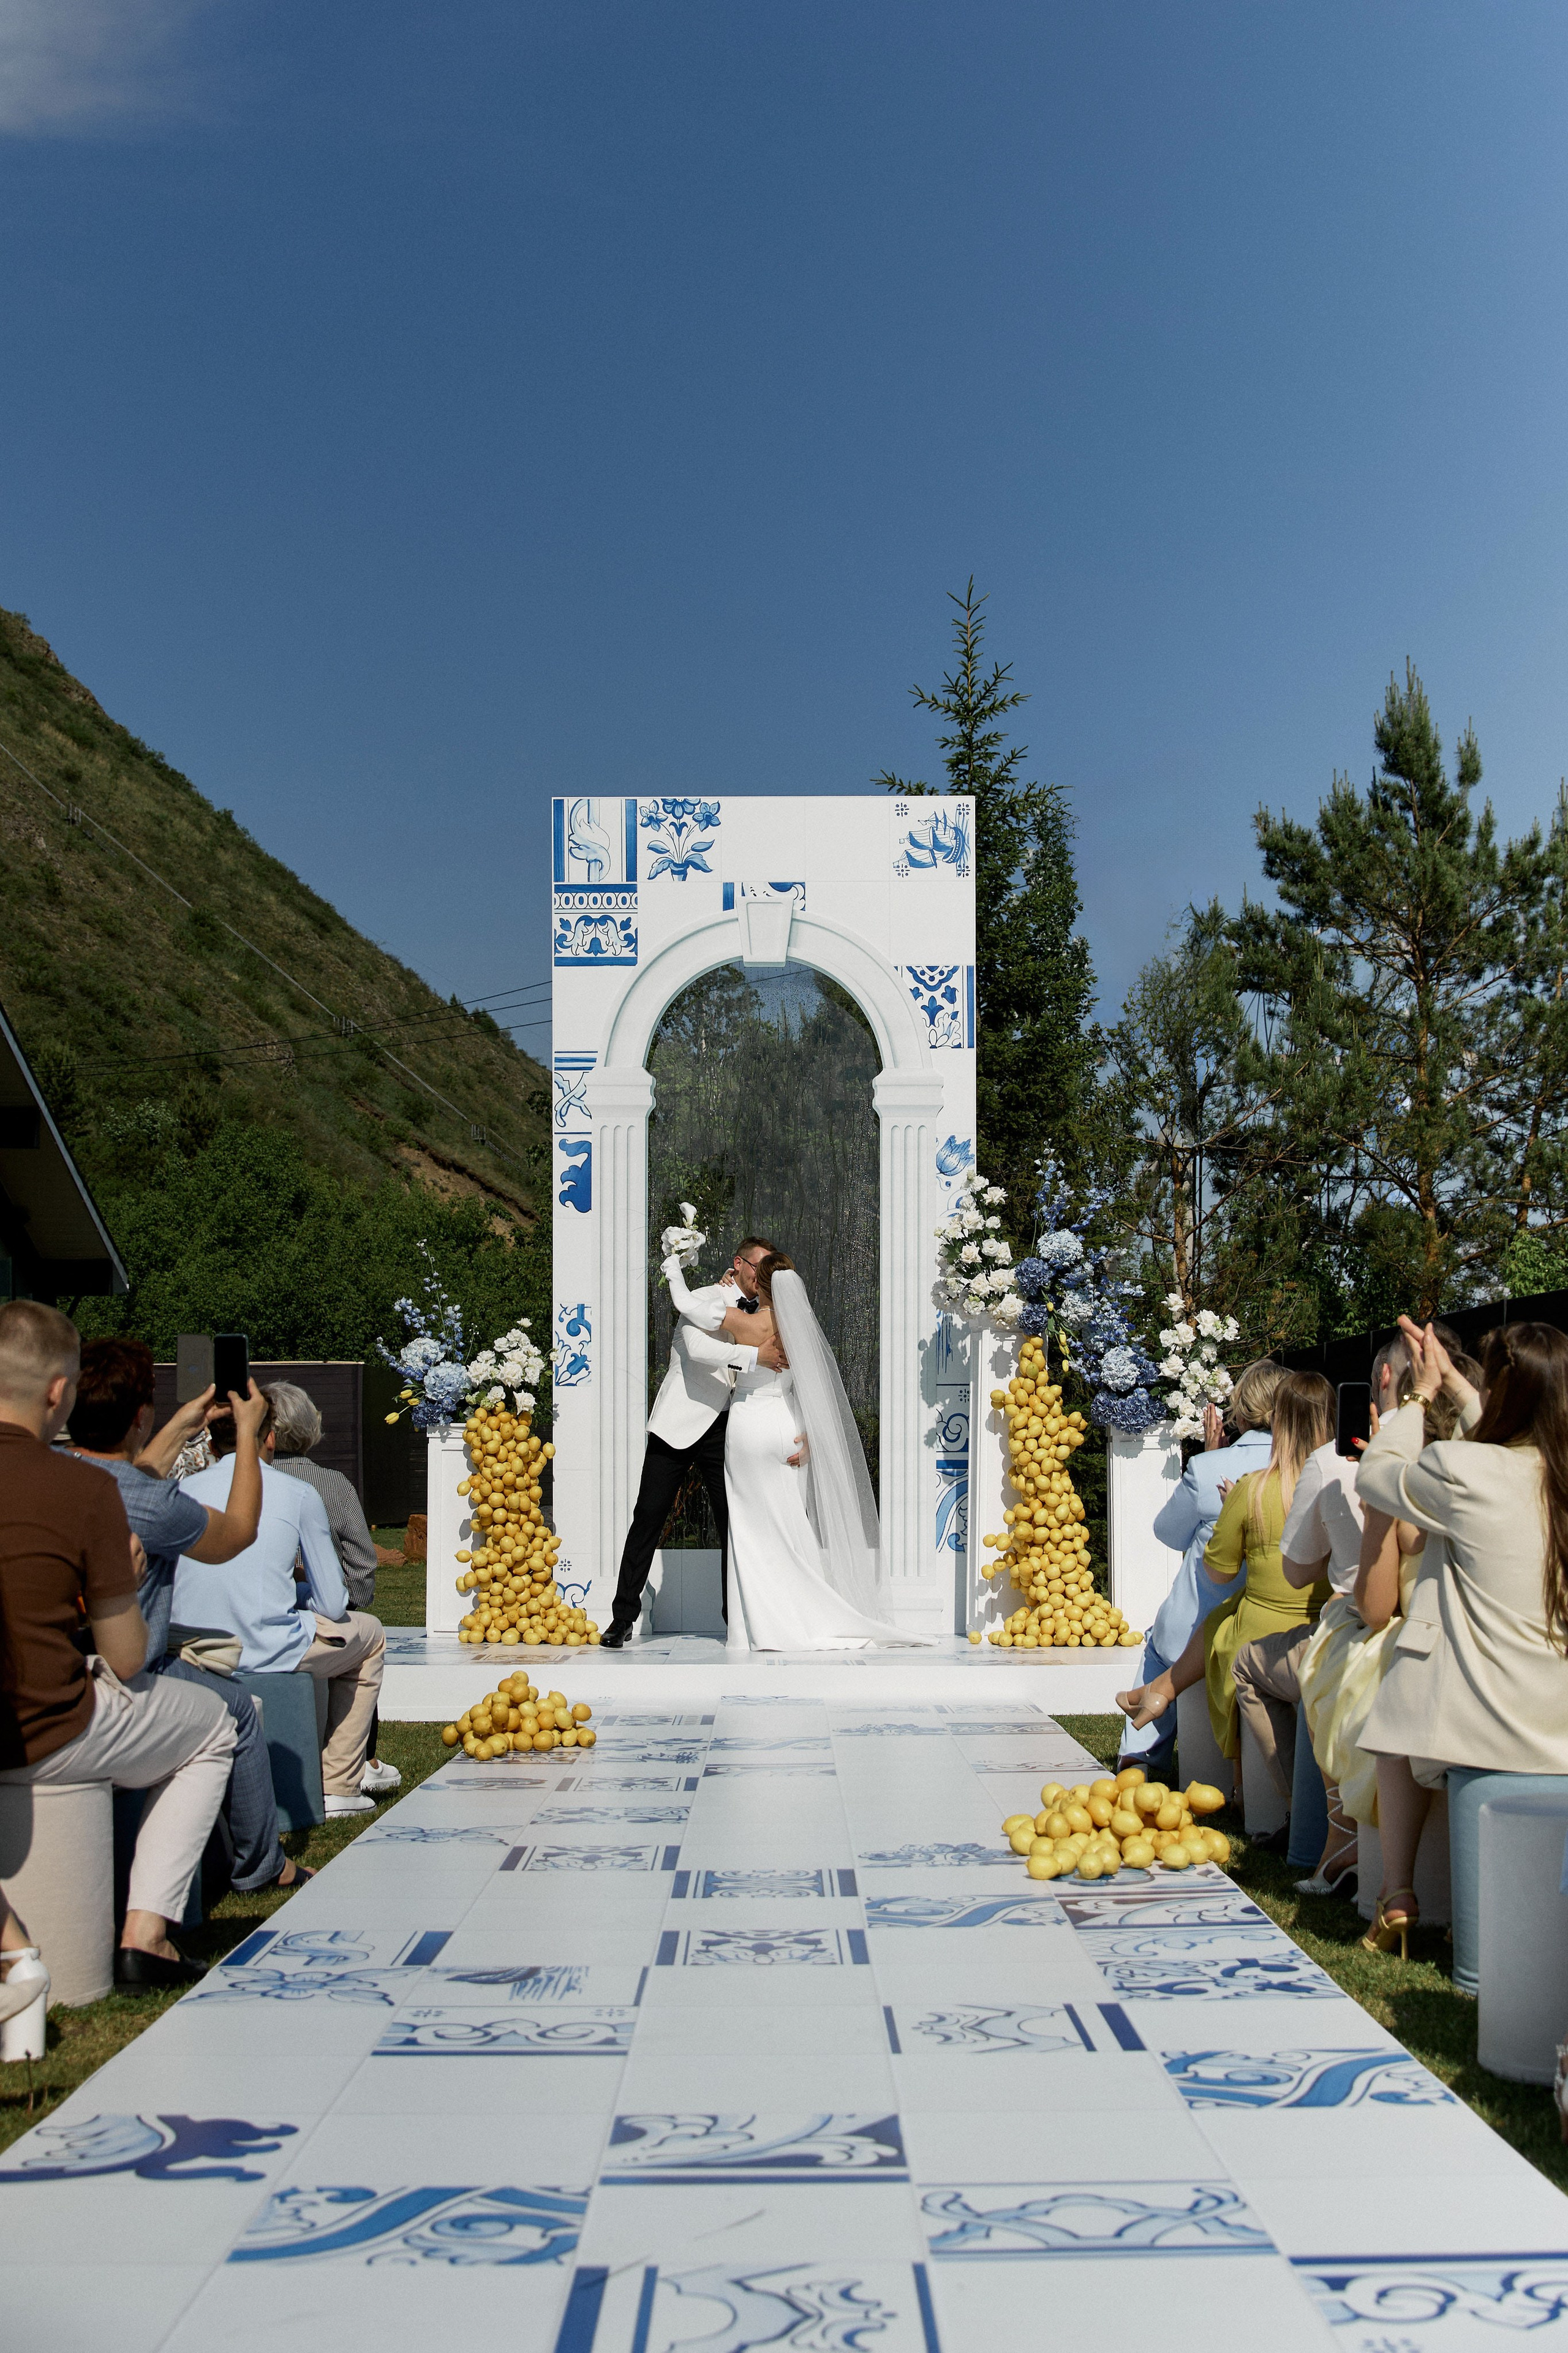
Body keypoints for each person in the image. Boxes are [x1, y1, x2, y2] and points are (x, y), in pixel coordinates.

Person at [0, 1300, 236, 1989]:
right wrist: (124, 1584)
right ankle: (146, 1934)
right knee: (213, 1725)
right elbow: (127, 1657)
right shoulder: (83, 1488)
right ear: (57, 1392)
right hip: (47, 1725)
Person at [1355, 1318, 1568, 1988]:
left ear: (1502, 1391)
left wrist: (1419, 1395)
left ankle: (1396, 1888)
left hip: (1490, 1723)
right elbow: (1515, 1444)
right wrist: (1460, 1386)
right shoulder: (1555, 1475)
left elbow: (1378, 1475)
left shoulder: (1463, 1469)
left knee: (1394, 1698)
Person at [66, 1340, 310, 1897]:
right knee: (237, 1712)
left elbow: (132, 1474)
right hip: (128, 1672)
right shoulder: (152, 1504)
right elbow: (237, 1532)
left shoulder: (63, 1474)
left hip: (63, 1662)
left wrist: (183, 1424)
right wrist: (246, 1435)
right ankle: (260, 1864)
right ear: (139, 1416)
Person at [1293, 1332, 1478, 1894]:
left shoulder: (1397, 1484)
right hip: (1498, 1653)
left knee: (1333, 1655)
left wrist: (1377, 1499)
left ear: (1389, 1383)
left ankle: (1360, 1855)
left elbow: (1376, 1609)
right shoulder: (1508, 1474)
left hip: (1425, 1652)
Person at [673, 1253, 930, 1651]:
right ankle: (806, 1610)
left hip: (750, 1425)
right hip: (789, 1426)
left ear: (760, 1285)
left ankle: (757, 1626)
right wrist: (811, 1434)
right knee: (790, 1523)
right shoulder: (799, 1328)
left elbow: (688, 1307)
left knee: (750, 1529)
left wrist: (675, 1269)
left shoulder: (748, 1323)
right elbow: (813, 1388)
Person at [1114, 1372, 1335, 1785]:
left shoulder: (1230, 1478)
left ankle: (1140, 1751)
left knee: (1174, 1633)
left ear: (1242, 1411)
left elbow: (1173, 1537)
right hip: (1316, 1618)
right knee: (1221, 1615)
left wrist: (1215, 1474)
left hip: (1239, 1627)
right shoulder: (1333, 1471)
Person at [176, 1394, 386, 1818]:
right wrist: (297, 1594)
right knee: (371, 1636)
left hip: (190, 1650)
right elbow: (333, 1601)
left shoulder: (182, 1490)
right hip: (265, 1648)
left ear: (212, 1444)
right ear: (270, 1437)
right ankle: (338, 1784)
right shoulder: (298, 1492)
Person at [600, 1234, 790, 1647]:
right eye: (757, 1266)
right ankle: (622, 1617)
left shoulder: (771, 1312)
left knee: (732, 1523)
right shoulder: (705, 1297)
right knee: (648, 1517)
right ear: (738, 1264)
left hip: (726, 1426)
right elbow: (696, 1346)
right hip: (678, 1422)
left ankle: (735, 1620)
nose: (761, 1274)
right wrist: (754, 1357)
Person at [263, 1381, 394, 1796]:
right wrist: (353, 1604)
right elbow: (361, 1557)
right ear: (310, 1427)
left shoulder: (234, 1481)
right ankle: (355, 1764)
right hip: (314, 1616)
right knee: (363, 1635)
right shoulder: (330, 1483)